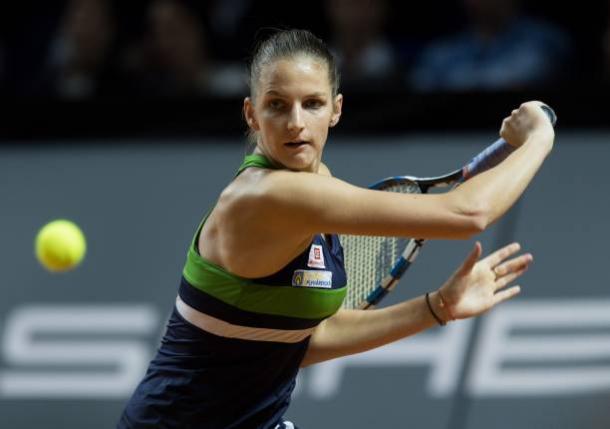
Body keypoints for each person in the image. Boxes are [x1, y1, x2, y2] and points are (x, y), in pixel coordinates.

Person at [117, 29, 554, 429]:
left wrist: (438, 305)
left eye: (312, 103)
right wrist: (539, 136)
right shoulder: (267, 197)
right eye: (276, 105)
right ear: (251, 115)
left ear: (336, 109)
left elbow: (302, 340)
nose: (295, 122)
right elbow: (467, 215)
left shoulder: (318, 183)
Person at [409, 0, 572, 91]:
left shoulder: (545, 42)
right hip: (454, 140)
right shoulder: (440, 55)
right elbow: (420, 98)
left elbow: (526, 80)